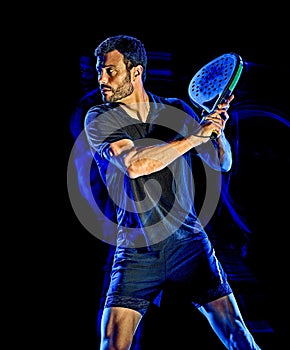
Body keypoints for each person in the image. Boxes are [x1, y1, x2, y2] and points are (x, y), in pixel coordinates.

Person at [83, 34, 262, 349]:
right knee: (112, 344)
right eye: (100, 71)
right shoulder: (99, 118)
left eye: (110, 71)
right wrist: (196, 137)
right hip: (137, 250)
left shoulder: (176, 110)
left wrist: (215, 130)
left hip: (189, 244)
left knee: (237, 335)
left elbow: (221, 162)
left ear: (135, 72)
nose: (102, 79)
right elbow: (135, 164)